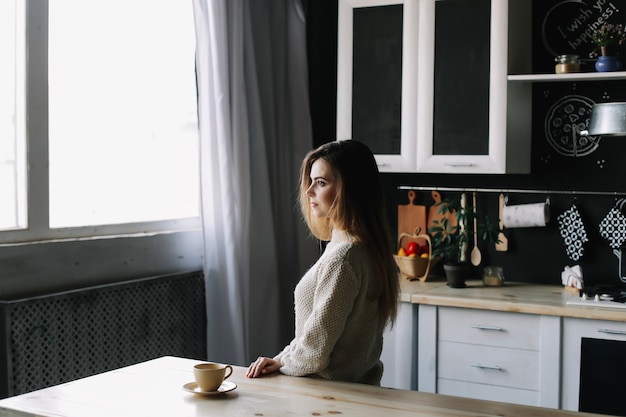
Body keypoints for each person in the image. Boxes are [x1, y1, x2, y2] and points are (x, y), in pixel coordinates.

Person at [246, 140, 399, 385]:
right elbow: (313, 336)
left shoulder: (344, 257)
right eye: (311, 181)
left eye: (321, 182)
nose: (309, 192)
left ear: (349, 189)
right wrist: (281, 359)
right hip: (355, 393)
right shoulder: (363, 247)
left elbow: (315, 355)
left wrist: (282, 364)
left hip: (328, 396)